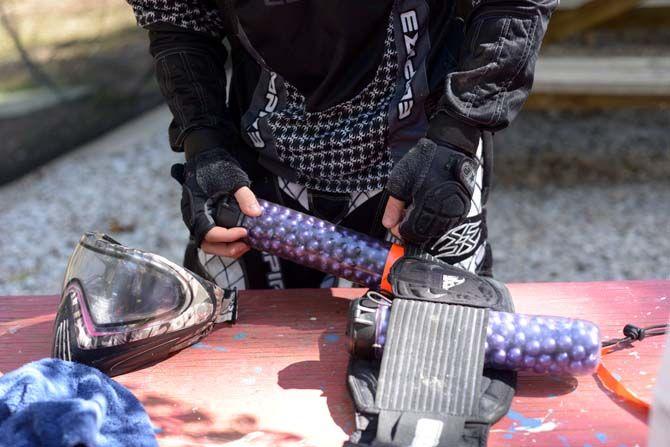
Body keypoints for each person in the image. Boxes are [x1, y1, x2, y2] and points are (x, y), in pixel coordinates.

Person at [127, 0, 557, 290]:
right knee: (230, 364)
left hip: (421, 162)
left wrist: (458, 133)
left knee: (437, 365)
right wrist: (205, 146)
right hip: (260, 174)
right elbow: (179, 21)